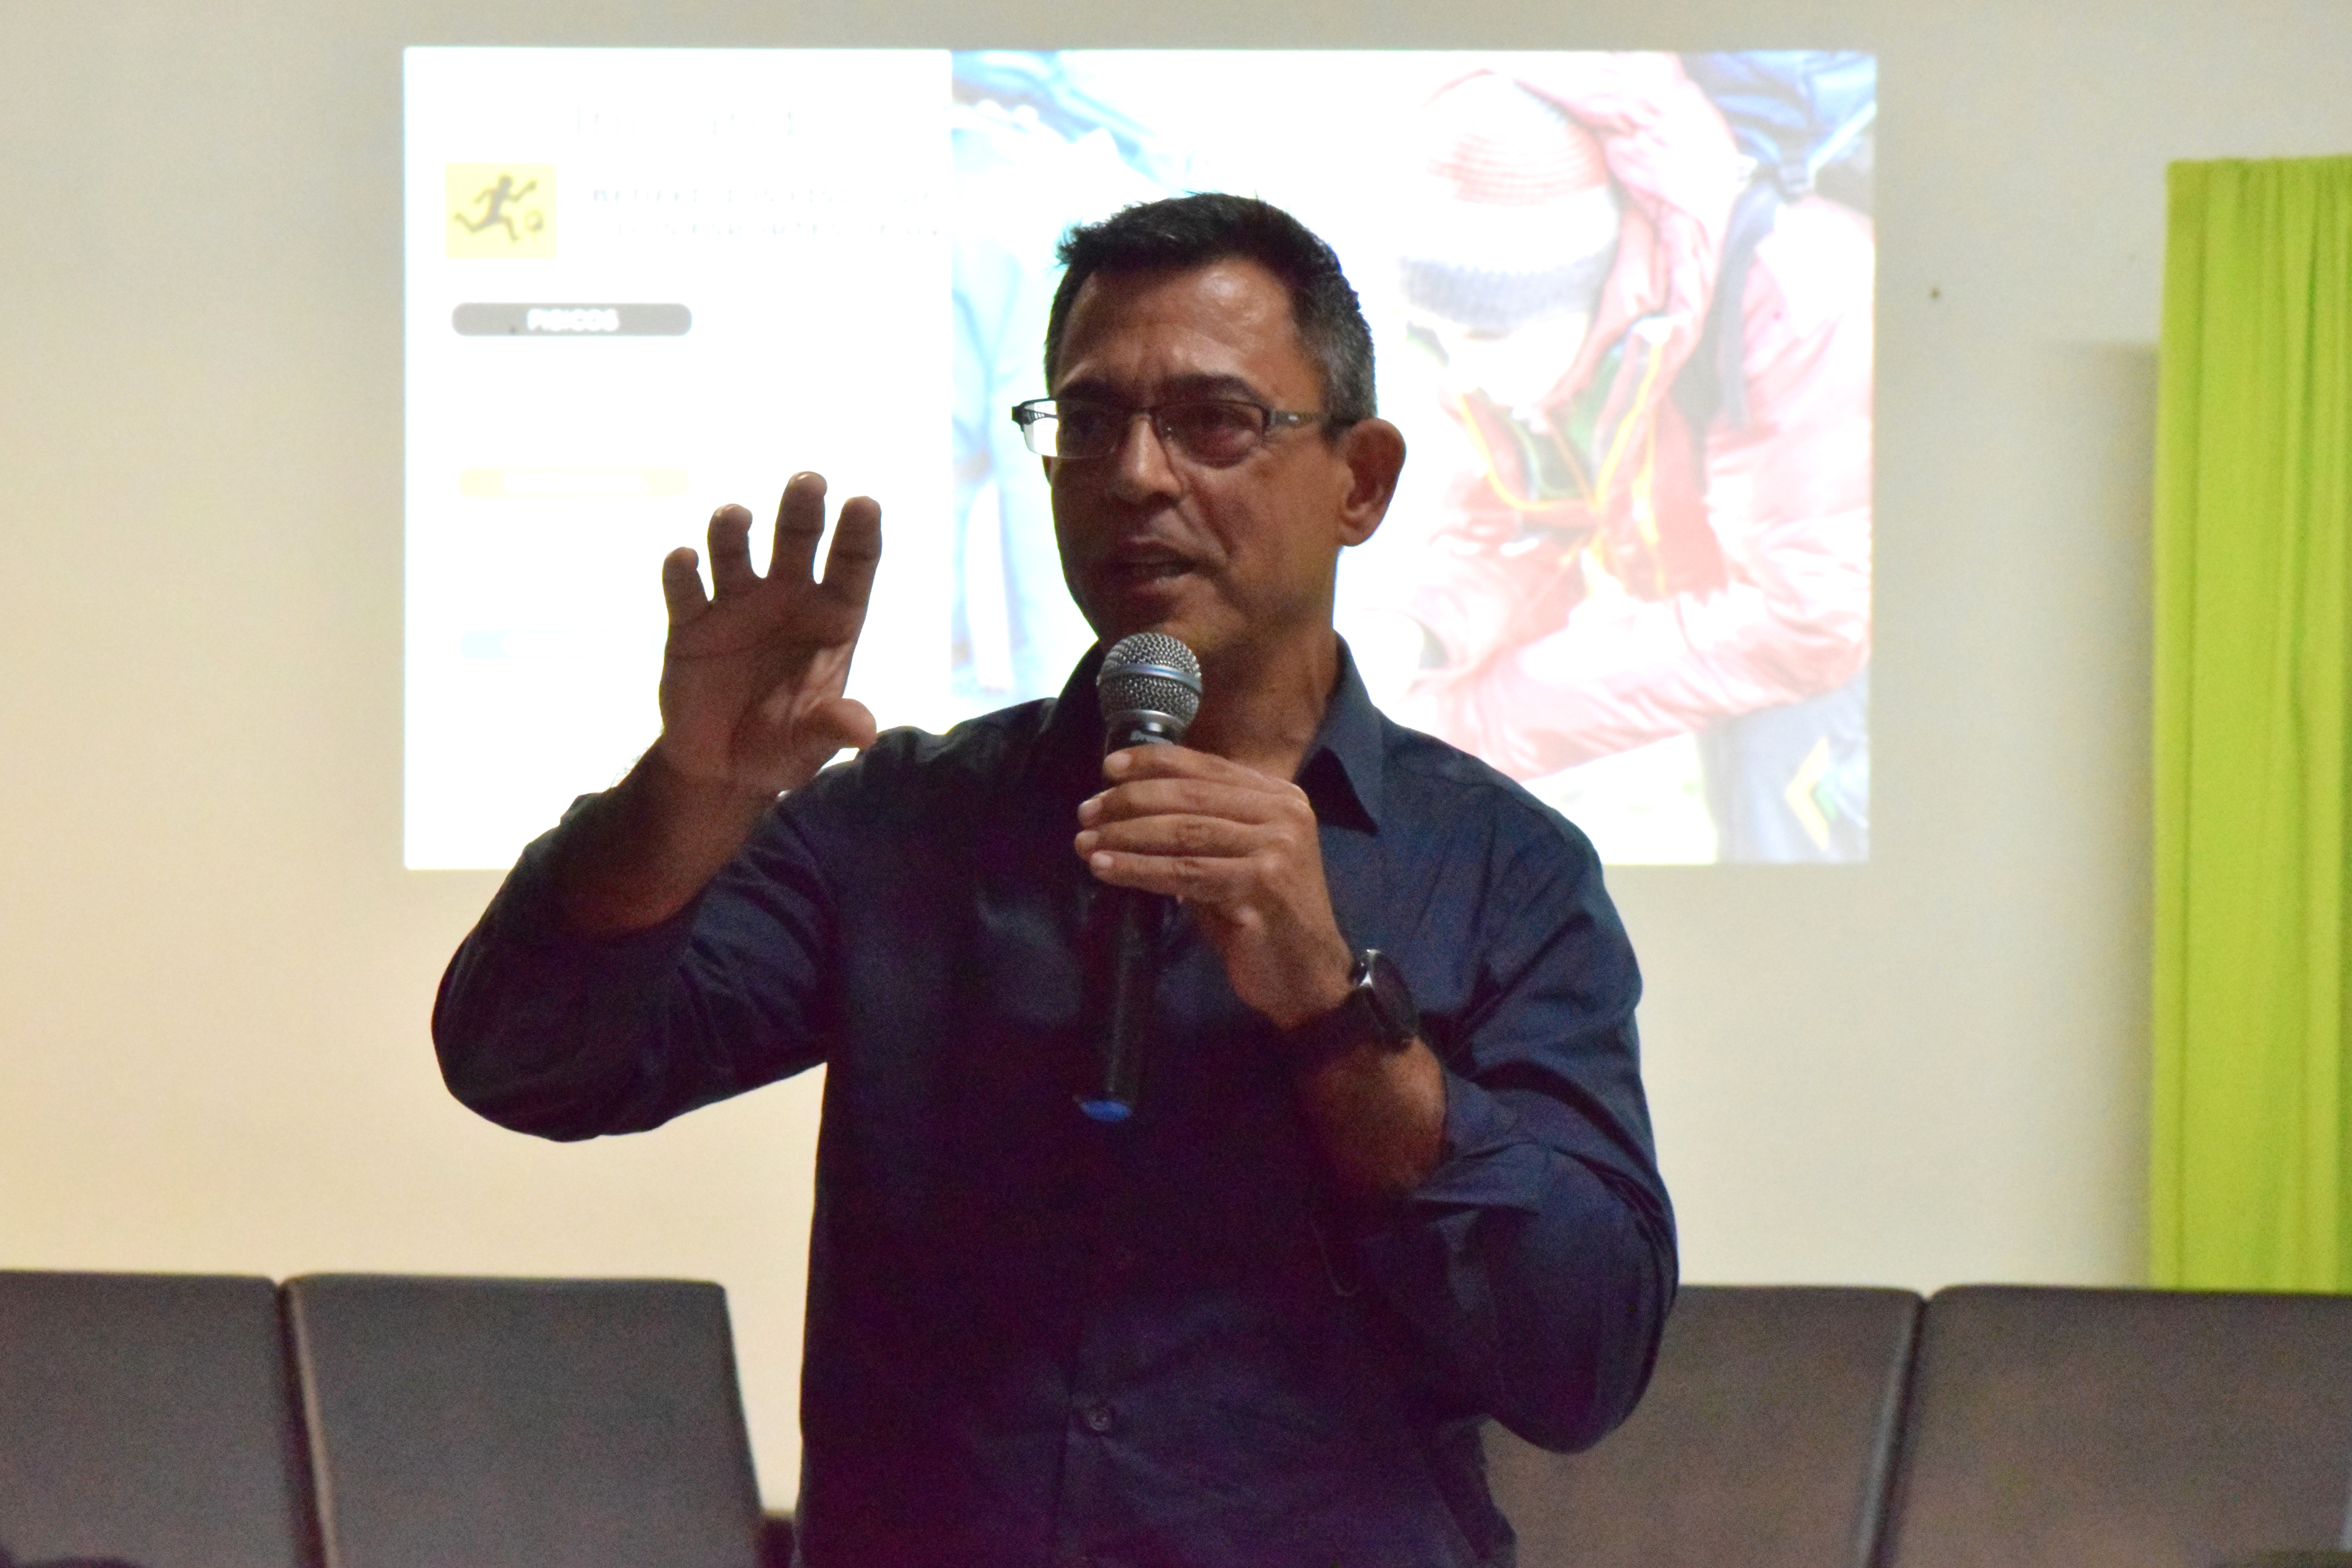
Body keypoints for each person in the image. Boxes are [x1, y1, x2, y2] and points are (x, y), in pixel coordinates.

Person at [434, 192, 1674, 1567]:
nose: (1134, 475)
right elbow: (524, 1063)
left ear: (1360, 481)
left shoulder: (1500, 869)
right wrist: (690, 790)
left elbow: (1582, 1358)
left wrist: (1336, 1013)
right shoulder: (904, 824)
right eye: (1086, 423)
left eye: (1212, 421)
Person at [1388, 58, 1873, 860]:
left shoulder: (1801, 293)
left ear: (1592, 286)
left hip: (1880, 623)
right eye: (1430, 336)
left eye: (1483, 336)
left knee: (1781, 811)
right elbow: (1523, 525)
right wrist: (1418, 636)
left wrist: (1459, 724)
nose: (1460, 374)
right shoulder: (1520, 344)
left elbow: (1811, 622)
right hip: (1741, 603)